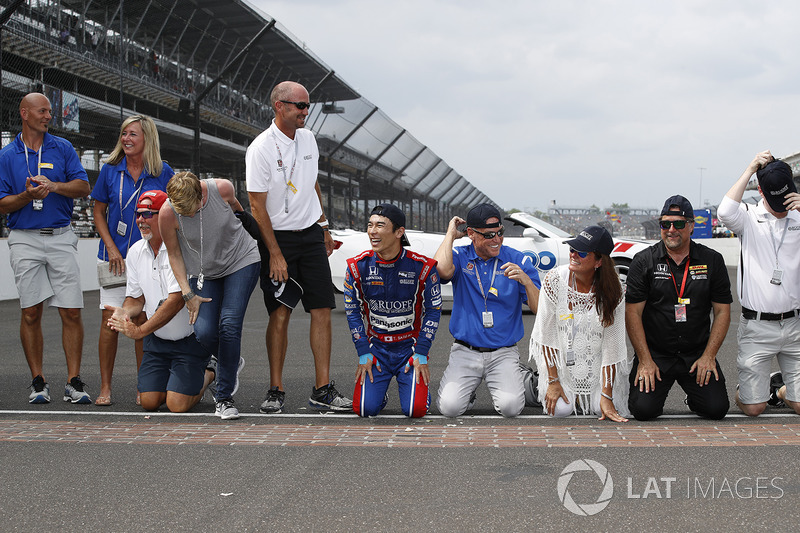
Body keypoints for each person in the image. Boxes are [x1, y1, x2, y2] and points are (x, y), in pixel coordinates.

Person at [245, 80, 351, 413]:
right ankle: (275, 388)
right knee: (280, 313)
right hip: (279, 239)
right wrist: (275, 253)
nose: (306, 111)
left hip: (310, 235)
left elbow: (311, 184)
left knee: (322, 310)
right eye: (300, 105)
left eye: (308, 106)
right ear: (279, 106)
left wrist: (324, 227)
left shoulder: (307, 139)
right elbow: (256, 206)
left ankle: (322, 389)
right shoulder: (261, 147)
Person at [0, 92, 92, 404]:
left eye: (49, 111)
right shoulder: (7, 155)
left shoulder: (63, 147)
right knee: (30, 312)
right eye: (42, 111)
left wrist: (52, 186)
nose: (48, 116)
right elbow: (2, 204)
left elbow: (82, 187)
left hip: (61, 236)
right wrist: (27, 196)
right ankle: (38, 381)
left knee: (71, 310)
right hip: (24, 237)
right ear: (25, 113)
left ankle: (74, 381)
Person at [159, 171, 260, 420]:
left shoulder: (222, 188)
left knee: (229, 324)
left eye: (192, 210)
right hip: (204, 271)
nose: (189, 216)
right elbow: (174, 255)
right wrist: (187, 293)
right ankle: (231, 360)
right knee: (204, 332)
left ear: (201, 195)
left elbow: (241, 216)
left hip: (241, 260)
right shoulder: (167, 213)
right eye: (183, 213)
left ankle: (224, 398)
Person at [105, 190, 214, 412]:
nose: (140, 220)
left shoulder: (180, 248)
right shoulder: (135, 251)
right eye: (138, 214)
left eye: (148, 214)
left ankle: (211, 371)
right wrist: (124, 313)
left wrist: (140, 330)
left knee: (176, 405)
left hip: (189, 340)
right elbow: (135, 298)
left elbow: (176, 301)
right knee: (149, 402)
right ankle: (178, 381)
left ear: (165, 215)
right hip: (158, 343)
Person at [91, 114, 174, 406]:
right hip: (113, 258)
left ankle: (144, 385)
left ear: (147, 139)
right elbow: (98, 211)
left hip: (149, 257)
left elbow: (174, 210)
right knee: (110, 320)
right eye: (124, 134)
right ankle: (105, 387)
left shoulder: (162, 171)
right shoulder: (110, 170)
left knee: (141, 319)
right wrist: (112, 247)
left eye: (133, 134)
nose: (126, 139)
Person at [626, 195, 732, 420]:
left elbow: (722, 311)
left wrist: (709, 356)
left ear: (691, 226)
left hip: (696, 355)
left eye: (679, 223)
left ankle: (694, 398)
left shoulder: (712, 260)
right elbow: (633, 313)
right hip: (656, 356)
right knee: (644, 411)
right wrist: (645, 360)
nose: (671, 229)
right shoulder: (644, 261)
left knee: (716, 409)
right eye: (665, 224)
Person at [434, 203, 540, 417]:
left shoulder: (517, 259)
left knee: (511, 409)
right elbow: (443, 271)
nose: (497, 239)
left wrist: (527, 281)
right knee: (450, 409)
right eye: (489, 234)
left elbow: (539, 309)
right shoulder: (461, 256)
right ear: (471, 234)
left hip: (504, 352)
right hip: (465, 351)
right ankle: (469, 391)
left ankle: (525, 380)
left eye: (500, 232)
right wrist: (450, 235)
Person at [717, 152, 800, 416]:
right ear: (761, 191)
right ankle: (756, 389)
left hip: (795, 324)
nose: (782, 205)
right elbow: (724, 211)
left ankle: (779, 389)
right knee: (753, 408)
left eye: (786, 197)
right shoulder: (748, 218)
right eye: (775, 199)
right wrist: (751, 168)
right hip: (758, 325)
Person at [344, 204, 442, 417]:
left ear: (399, 232)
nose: (373, 231)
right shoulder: (357, 267)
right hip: (376, 348)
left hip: (410, 349)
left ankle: (415, 393)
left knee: (415, 411)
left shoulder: (423, 267)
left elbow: (433, 310)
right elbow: (353, 312)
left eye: (380, 225)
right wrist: (363, 352)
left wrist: (422, 353)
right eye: (370, 225)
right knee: (364, 409)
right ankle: (380, 395)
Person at [529, 225, 631, 421]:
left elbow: (613, 346)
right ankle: (532, 384)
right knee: (560, 410)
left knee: (599, 408)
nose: (573, 255)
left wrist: (607, 395)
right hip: (560, 367)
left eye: (582, 252)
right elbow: (546, 334)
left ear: (599, 261)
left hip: (596, 366)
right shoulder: (554, 280)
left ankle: (594, 394)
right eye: (572, 249)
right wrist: (553, 381)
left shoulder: (615, 290)